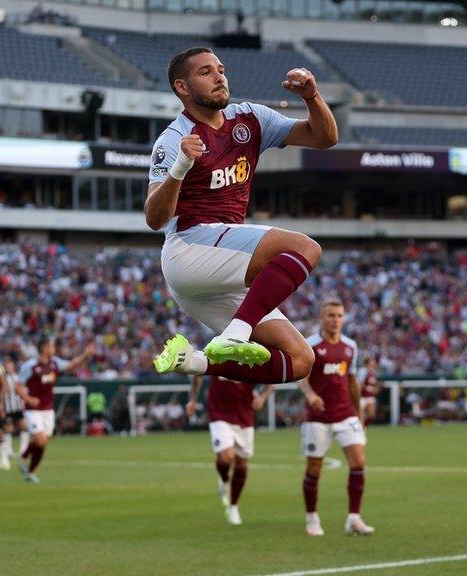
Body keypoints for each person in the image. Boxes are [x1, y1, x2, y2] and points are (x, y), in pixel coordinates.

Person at [148, 46, 338, 388]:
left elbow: (324, 138)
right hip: (189, 248)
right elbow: (154, 217)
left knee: (299, 360)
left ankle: (196, 362)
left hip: (218, 265)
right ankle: (237, 332)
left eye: (220, 69)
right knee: (304, 247)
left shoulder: (249, 118)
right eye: (205, 72)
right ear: (182, 87)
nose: (219, 76)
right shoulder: (174, 138)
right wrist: (180, 166)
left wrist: (312, 96)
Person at [298, 301, 374, 536]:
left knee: (359, 463)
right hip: (318, 418)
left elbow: (352, 382)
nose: (335, 319)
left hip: (345, 414)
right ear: (322, 318)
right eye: (331, 315)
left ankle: (354, 518)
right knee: (314, 468)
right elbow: (302, 376)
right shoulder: (310, 345)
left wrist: (359, 414)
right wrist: (310, 395)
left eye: (340, 315)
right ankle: (312, 518)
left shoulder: (350, 346)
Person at [186, 375, 272, 525]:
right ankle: (224, 480)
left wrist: (263, 397)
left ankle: (233, 506)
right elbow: (198, 373)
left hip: (244, 416)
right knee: (226, 458)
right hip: (220, 414)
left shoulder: (252, 354)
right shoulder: (215, 352)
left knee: (242, 465)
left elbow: (271, 380)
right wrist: (193, 399)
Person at [17, 338, 95, 484]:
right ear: (44, 348)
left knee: (43, 442)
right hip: (32, 409)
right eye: (52, 346)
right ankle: (23, 458)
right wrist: (28, 399)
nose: (54, 349)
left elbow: (71, 365)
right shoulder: (30, 366)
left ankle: (31, 471)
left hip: (48, 409)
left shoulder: (55, 363)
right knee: (40, 439)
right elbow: (18, 385)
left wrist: (86, 354)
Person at [358, 358, 380, 426]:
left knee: (371, 416)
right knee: (360, 416)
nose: (373, 364)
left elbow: (375, 384)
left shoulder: (373, 372)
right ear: (367, 363)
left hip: (370, 396)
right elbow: (359, 384)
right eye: (372, 362)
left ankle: (363, 427)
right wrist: (368, 388)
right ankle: (360, 430)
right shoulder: (362, 371)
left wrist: (376, 388)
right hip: (361, 397)